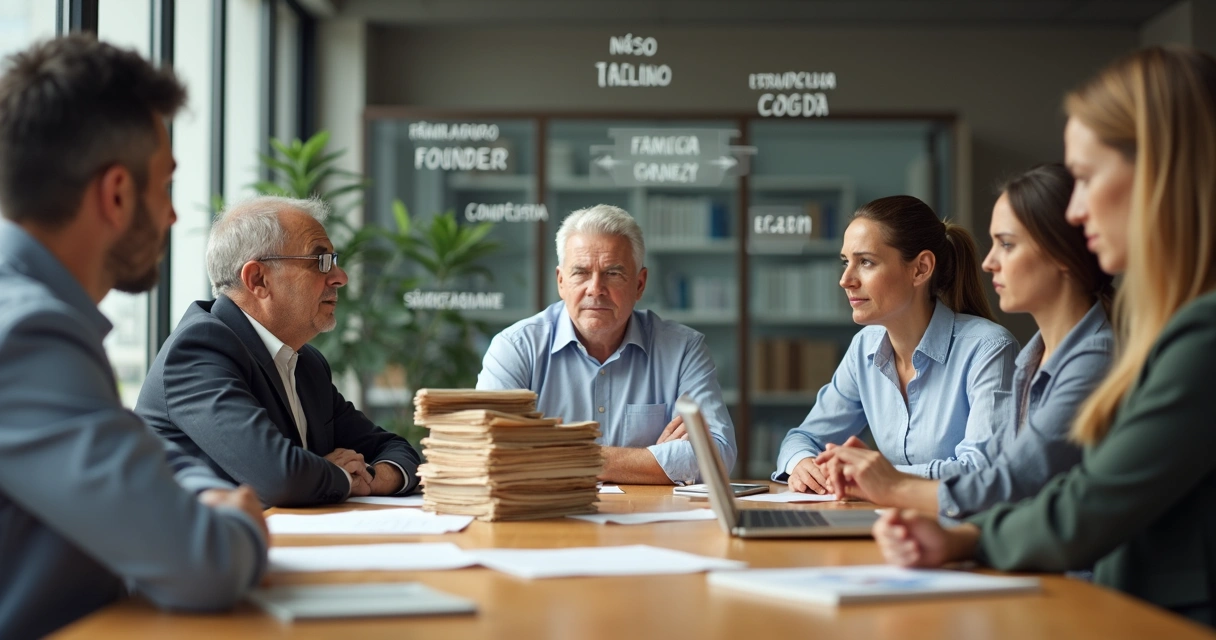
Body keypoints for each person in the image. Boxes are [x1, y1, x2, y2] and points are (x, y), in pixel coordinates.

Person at [873, 46, 1216, 627]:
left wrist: (954, 534)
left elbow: (1086, 506)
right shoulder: (1152, 332)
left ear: (1161, 169)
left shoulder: (1198, 336)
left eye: (1085, 178)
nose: (1077, 212)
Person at [0, 35, 267, 639]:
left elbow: (132, 447)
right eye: (166, 186)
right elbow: (204, 565)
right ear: (117, 193)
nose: (173, 216)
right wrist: (242, 522)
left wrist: (199, 493)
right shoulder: (26, 335)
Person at [816, 164, 1115, 519]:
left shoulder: (1093, 358)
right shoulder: (1033, 359)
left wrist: (888, 483)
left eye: (1006, 244)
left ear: (1062, 254)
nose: (988, 263)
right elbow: (1017, 492)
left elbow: (1010, 482)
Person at [136, 196, 422, 506]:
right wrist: (340, 476)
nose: (340, 277)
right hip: (197, 551)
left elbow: (395, 449)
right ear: (258, 279)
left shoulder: (306, 363)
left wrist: (374, 475)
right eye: (320, 261)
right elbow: (279, 477)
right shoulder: (199, 351)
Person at [476, 204, 736, 485]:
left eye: (613, 273)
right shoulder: (515, 347)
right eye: (581, 273)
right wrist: (654, 457)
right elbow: (486, 453)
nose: (595, 288)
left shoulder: (683, 349)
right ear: (561, 282)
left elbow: (717, 457)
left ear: (639, 284)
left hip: (651, 522)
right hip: (549, 520)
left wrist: (559, 453)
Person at [775, 195, 1018, 494]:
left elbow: (983, 470)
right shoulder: (864, 347)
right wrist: (802, 464)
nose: (845, 279)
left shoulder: (989, 348)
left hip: (963, 532)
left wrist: (874, 476)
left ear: (921, 269)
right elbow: (803, 438)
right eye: (845, 262)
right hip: (890, 527)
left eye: (865, 262)